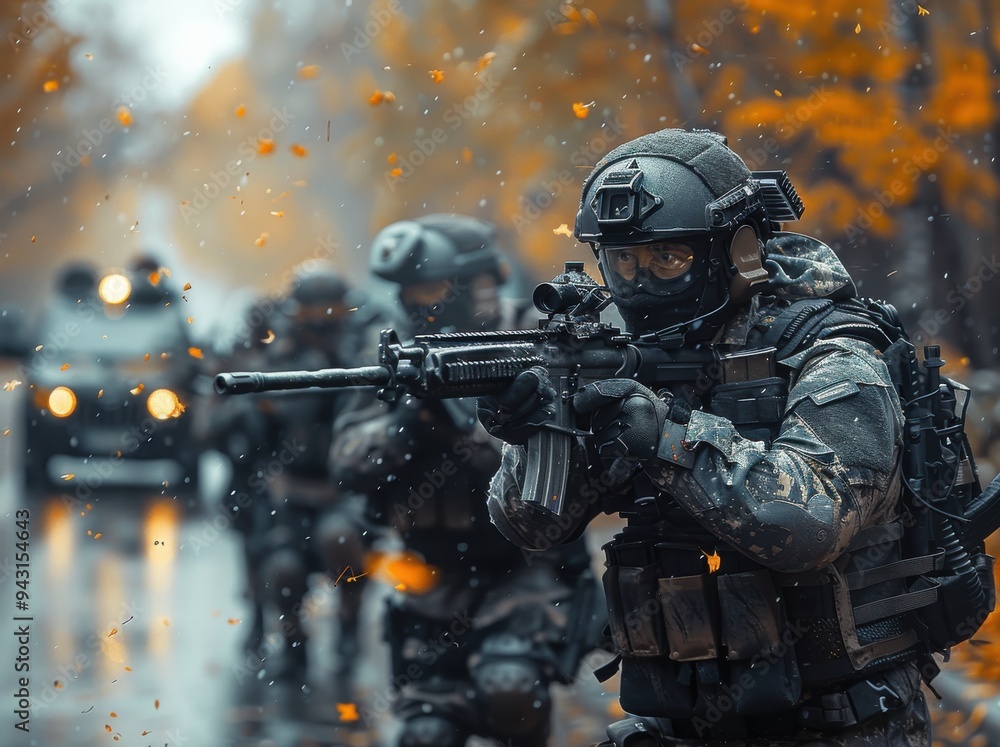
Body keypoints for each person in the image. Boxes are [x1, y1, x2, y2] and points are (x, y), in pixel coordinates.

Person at [477, 129, 933, 746]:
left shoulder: (832, 352)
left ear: (735, 251)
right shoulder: (629, 360)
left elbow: (811, 527)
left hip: (840, 722)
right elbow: (531, 527)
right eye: (624, 262)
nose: (641, 285)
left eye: (668, 259)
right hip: (679, 719)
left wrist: (666, 437)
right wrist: (536, 429)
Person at [330, 214, 604, 747]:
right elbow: (346, 462)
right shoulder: (400, 355)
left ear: (476, 281)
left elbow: (580, 457)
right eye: (408, 291)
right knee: (425, 733)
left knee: (511, 690)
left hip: (526, 569)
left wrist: (479, 434)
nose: (414, 303)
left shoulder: (542, 339)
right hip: (428, 574)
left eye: (428, 288)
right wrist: (406, 423)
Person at [252, 264, 377, 690]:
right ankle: (293, 646)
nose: (323, 329)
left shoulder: (363, 352)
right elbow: (263, 431)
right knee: (283, 568)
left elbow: (373, 418)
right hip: (294, 488)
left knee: (340, 541)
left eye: (330, 320)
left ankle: (348, 631)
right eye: (314, 321)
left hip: (346, 486)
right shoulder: (281, 358)